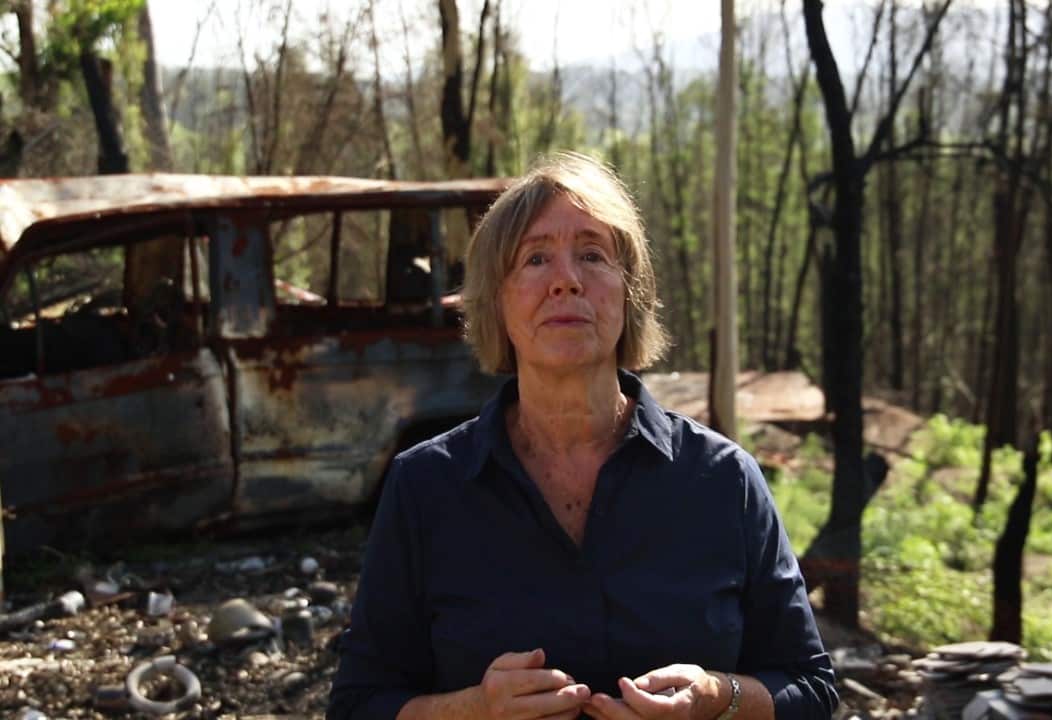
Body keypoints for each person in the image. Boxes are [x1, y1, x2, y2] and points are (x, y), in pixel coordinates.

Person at [328, 152, 838, 720]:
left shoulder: (723, 480)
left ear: (630, 294)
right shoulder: (425, 486)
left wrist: (718, 698)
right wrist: (472, 710)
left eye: (593, 255)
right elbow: (357, 704)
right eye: (535, 258)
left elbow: (811, 688)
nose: (566, 281)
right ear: (497, 299)